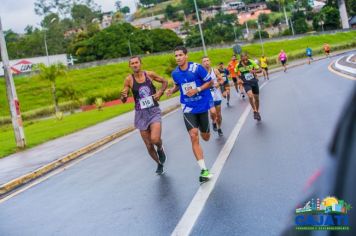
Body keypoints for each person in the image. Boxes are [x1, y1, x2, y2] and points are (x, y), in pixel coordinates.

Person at [166, 46, 214, 183]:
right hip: (187, 107)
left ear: (186, 56)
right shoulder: (175, 73)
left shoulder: (197, 68)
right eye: (176, 56)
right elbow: (178, 86)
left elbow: (209, 81)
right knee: (193, 135)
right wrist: (172, 90)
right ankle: (204, 170)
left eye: (180, 55)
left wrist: (197, 89)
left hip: (202, 105)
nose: (178, 58)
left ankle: (207, 129)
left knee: (206, 137)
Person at [120, 56, 168, 175]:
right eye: (132, 63)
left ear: (140, 63)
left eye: (137, 62)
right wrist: (124, 96)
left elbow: (165, 82)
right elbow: (123, 99)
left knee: (155, 139)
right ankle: (159, 163)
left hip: (153, 110)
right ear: (130, 66)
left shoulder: (149, 75)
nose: (135, 65)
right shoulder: (129, 80)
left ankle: (160, 148)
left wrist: (160, 92)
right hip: (140, 114)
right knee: (148, 145)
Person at [235, 53, 263, 121]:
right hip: (246, 82)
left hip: (254, 81)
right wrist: (238, 79)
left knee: (256, 99)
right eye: (243, 59)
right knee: (250, 96)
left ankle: (257, 111)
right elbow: (236, 73)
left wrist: (254, 71)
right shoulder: (238, 65)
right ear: (241, 58)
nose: (245, 60)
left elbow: (260, 70)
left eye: (246, 59)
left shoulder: (251, 62)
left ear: (247, 57)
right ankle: (254, 111)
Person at [202, 56, 224, 136]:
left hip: (216, 94)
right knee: (212, 112)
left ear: (210, 62)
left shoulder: (215, 71)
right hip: (207, 95)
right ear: (202, 63)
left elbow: (221, 80)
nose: (206, 62)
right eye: (204, 61)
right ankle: (214, 121)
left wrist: (218, 83)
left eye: (207, 60)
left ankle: (219, 128)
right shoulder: (201, 73)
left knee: (218, 114)